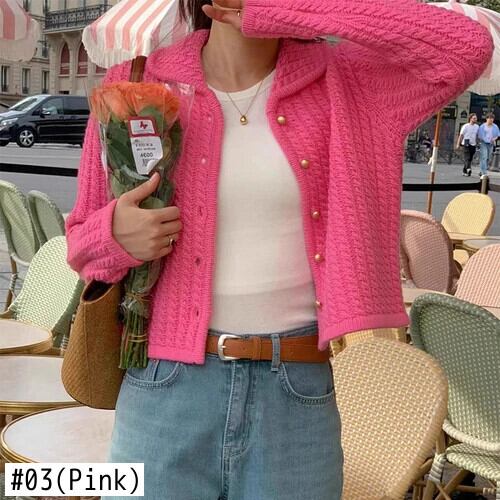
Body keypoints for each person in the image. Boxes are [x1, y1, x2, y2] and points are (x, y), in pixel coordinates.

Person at [65, 0, 493, 498]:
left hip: (296, 393)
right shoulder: (137, 85)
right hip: (164, 390)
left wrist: (292, 13)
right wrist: (115, 236)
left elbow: (466, 45)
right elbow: (81, 243)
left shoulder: (347, 83)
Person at [478, 112, 500, 176]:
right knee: (484, 157)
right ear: (486, 119)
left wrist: (494, 139)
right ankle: (484, 172)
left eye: (492, 118)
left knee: (488, 158)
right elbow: (480, 136)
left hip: (491, 144)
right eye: (490, 118)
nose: (491, 120)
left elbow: (497, 135)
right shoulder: (482, 126)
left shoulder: (495, 126)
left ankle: (481, 170)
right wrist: (484, 139)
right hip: (484, 143)